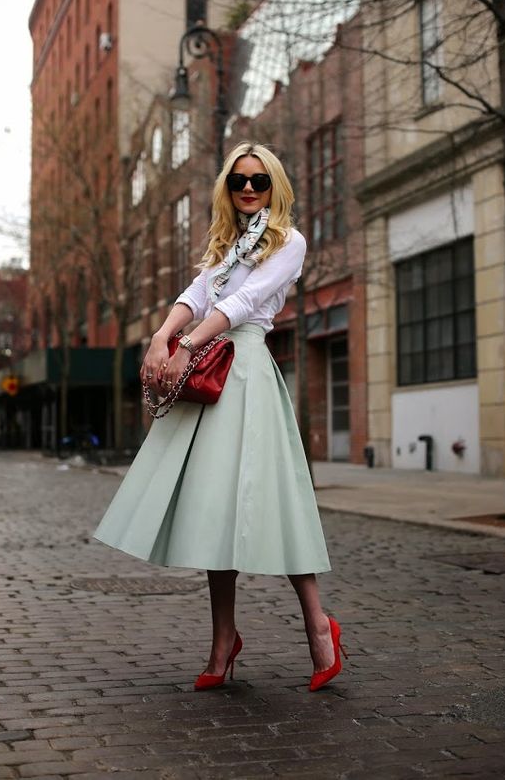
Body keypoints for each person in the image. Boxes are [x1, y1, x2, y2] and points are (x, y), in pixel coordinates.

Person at [94, 142, 347, 692]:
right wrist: (161, 336)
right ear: (227, 189)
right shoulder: (224, 245)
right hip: (212, 374)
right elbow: (196, 294)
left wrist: (185, 344)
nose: (249, 189)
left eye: (259, 181)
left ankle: (318, 628)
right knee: (213, 506)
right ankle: (223, 640)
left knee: (275, 501)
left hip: (246, 372)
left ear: (274, 186)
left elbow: (242, 302)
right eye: (239, 181)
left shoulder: (290, 241)